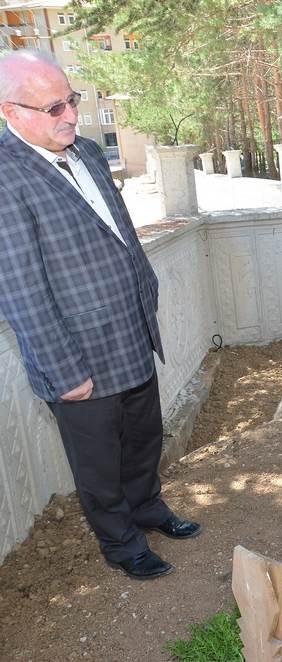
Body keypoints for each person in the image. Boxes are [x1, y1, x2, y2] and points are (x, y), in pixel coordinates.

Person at [0, 51, 200, 581]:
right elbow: (19, 288)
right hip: (77, 353)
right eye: (53, 108)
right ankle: (121, 542)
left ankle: (148, 508)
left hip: (129, 329)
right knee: (98, 462)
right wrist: (63, 370)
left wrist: (145, 294)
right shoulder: (3, 175)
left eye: (71, 100)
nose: (71, 115)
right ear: (11, 112)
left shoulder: (86, 151)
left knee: (143, 437)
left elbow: (117, 230)